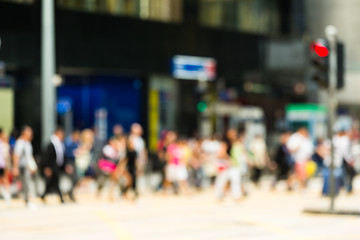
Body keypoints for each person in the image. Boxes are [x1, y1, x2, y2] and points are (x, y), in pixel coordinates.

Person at [41, 127, 67, 204]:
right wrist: (47, 167)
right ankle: (61, 197)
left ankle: (44, 195)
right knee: (55, 182)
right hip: (52, 166)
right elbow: (47, 157)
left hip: (57, 166)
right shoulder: (51, 144)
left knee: (52, 182)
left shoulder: (60, 144)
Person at [12, 125, 34, 206]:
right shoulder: (20, 142)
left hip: (27, 167)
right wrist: (15, 167)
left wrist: (33, 167)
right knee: (22, 183)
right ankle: (20, 197)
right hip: (21, 167)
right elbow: (16, 156)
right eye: (29, 132)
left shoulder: (28, 143)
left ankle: (26, 199)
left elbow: (29, 157)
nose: (31, 134)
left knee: (27, 183)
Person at [64, 129, 81, 201]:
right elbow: (67, 153)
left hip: (73, 161)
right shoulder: (68, 142)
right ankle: (68, 193)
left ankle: (69, 192)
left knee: (76, 179)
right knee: (72, 178)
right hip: (69, 161)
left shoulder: (76, 142)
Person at [0, 128, 11, 204]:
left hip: (3, 164)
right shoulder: (3, 144)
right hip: (2, 164)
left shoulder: (5, 144)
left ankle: (7, 195)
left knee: (5, 179)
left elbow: (7, 157)